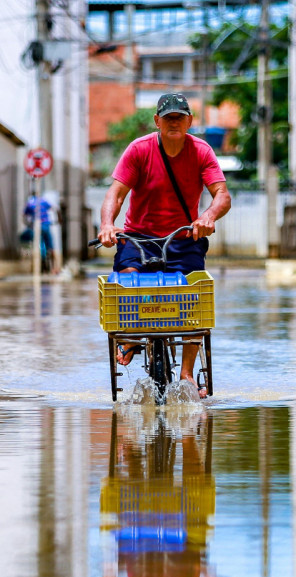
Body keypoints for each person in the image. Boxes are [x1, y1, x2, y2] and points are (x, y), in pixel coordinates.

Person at [98, 92, 232, 398]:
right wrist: (107, 225)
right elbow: (116, 194)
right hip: (139, 236)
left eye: (179, 117)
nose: (174, 122)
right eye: (168, 117)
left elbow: (221, 194)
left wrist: (208, 216)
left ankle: (186, 372)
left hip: (184, 236)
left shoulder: (201, 151)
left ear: (189, 121)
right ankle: (132, 338)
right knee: (128, 277)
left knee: (194, 293)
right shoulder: (139, 150)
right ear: (157, 121)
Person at [23, 190, 57, 272]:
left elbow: (24, 215)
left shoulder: (30, 203)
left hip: (37, 226)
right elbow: (55, 208)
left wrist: (27, 224)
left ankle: (42, 260)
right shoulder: (43, 201)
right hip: (46, 225)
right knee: (50, 245)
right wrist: (59, 220)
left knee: (40, 244)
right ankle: (53, 267)